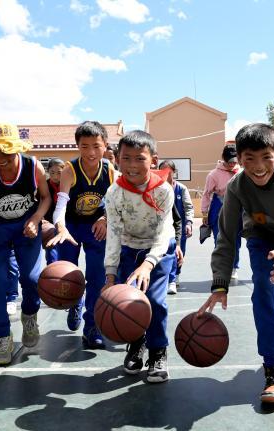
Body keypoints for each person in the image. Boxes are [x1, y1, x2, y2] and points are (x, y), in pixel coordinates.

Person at [198, 123, 274, 404]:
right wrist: (220, 284)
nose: (258, 166)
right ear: (239, 161)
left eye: (266, 157)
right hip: (261, 240)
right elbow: (226, 237)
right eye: (249, 158)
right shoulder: (236, 187)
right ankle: (273, 369)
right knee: (264, 295)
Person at [0, 122, 51, 366]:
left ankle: (30, 315)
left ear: (16, 147)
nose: (0, 157)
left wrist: (36, 218)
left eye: (5, 151)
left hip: (26, 227)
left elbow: (46, 197)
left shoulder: (33, 166)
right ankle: (2, 335)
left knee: (32, 279)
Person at [104, 130, 176, 383]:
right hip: (128, 249)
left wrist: (148, 264)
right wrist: (110, 274)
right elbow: (113, 233)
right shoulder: (114, 193)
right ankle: (136, 344)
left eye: (139, 158)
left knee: (154, 301)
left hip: (158, 251)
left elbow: (164, 232)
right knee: (128, 303)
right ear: (117, 159)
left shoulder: (163, 190)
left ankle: (158, 351)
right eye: (126, 158)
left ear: (153, 160)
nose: (132, 165)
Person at [47, 121, 114, 349]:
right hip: (71, 227)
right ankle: (76, 299)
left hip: (96, 227)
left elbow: (116, 203)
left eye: (96, 146)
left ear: (105, 145)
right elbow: (61, 205)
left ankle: (92, 327)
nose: (91, 152)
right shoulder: (70, 170)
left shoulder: (111, 171)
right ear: (77, 146)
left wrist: (105, 219)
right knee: (68, 274)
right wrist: (60, 226)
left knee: (97, 277)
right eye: (85, 146)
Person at [201, 144, 241, 278]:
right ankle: (221, 267)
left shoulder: (242, 172)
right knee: (219, 240)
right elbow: (206, 194)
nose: (232, 164)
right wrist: (204, 212)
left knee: (235, 240)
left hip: (237, 208)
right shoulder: (213, 174)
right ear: (223, 158)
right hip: (218, 207)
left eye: (235, 161)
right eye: (230, 161)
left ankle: (234, 267)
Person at [159, 160, 194, 294]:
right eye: (163, 170)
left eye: (169, 171)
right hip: (162, 226)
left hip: (178, 226)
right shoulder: (156, 187)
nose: (166, 173)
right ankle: (168, 279)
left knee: (178, 252)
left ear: (174, 172)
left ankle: (175, 277)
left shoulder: (181, 188)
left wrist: (189, 223)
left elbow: (188, 207)